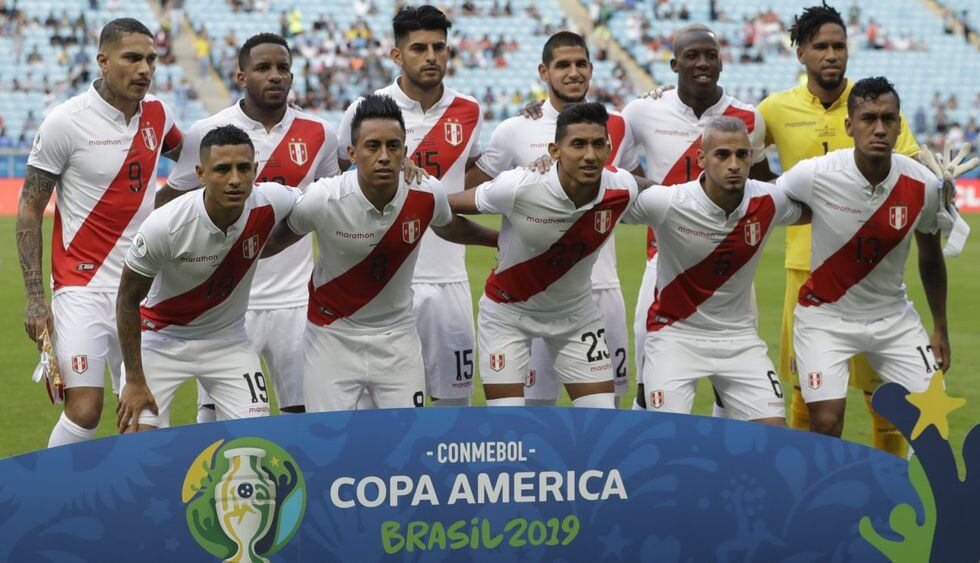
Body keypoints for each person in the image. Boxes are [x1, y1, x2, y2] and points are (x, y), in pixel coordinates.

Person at [265, 94, 498, 411]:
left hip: (398, 338)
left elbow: (453, 228)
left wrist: (501, 240)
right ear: (352, 153)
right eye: (373, 146)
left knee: (406, 437)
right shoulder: (323, 199)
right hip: (331, 337)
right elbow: (277, 239)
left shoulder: (427, 193)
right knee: (330, 436)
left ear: (405, 151)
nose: (384, 156)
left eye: (393, 146)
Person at [756, 3, 919, 455]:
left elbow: (912, 163)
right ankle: (807, 483)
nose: (832, 54)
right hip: (804, 268)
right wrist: (776, 192)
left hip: (870, 270)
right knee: (807, 393)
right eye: (821, 46)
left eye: (839, 46)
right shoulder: (775, 109)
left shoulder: (871, 106)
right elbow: (741, 151)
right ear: (801, 53)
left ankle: (887, 482)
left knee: (883, 394)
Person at [17, 18, 183, 447]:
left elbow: (191, 162)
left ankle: (128, 493)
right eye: (132, 58)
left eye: (151, 59)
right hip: (81, 286)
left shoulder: (159, 115)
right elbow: (30, 207)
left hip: (142, 287)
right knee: (85, 411)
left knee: (143, 415)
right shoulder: (66, 121)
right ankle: (52, 486)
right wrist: (35, 297)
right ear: (103, 61)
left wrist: (165, 204)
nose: (144, 69)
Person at [159, 33, 340, 420]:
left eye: (283, 68)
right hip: (225, 305)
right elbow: (169, 204)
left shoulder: (320, 133)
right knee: (214, 417)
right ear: (241, 76)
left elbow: (333, 205)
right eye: (263, 68)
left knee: (301, 413)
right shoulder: (209, 131)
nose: (275, 75)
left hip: (296, 301)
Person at [465, 31, 643, 407]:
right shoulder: (516, 128)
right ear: (544, 72)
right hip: (528, 288)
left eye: (580, 64)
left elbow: (634, 188)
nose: (573, 72)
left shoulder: (617, 124)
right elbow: (472, 189)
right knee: (535, 407)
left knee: (605, 406)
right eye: (563, 65)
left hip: (598, 286)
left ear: (592, 69)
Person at [777, 77, 947, 437]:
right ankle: (825, 478)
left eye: (888, 119)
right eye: (868, 118)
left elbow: (932, 258)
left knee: (934, 417)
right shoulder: (816, 174)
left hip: (892, 317)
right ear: (849, 125)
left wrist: (940, 328)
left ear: (899, 125)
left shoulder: (923, 185)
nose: (879, 129)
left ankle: (911, 478)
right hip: (825, 315)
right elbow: (764, 204)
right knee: (826, 421)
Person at [337, 6, 484, 407]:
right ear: (397, 56)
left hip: (449, 279)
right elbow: (338, 179)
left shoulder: (469, 110)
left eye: (439, 47)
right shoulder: (367, 109)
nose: (432, 56)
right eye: (419, 48)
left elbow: (471, 171)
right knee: (379, 414)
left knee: (453, 405)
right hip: (381, 285)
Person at [621, 24, 768, 411]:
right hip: (662, 263)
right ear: (674, 64)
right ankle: (648, 447)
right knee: (648, 387)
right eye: (692, 55)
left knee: (732, 388)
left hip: (730, 264)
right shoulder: (642, 111)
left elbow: (763, 184)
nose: (702, 62)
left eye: (710, 55)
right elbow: (614, 170)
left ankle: (721, 450)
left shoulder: (748, 118)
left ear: (721, 61)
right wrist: (658, 193)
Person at [624, 116, 808, 423]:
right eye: (722, 155)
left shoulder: (768, 200)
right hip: (674, 337)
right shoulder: (670, 202)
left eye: (742, 155)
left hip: (739, 340)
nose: (734, 164)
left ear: (752, 157)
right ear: (701, 159)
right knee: (665, 438)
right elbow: (608, 199)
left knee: (773, 435)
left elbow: (821, 206)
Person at [115, 125, 299, 431]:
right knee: (138, 443)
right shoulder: (165, 225)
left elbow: (315, 207)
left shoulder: (272, 200)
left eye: (243, 168)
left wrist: (268, 246)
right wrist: (134, 380)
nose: (235, 179)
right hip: (160, 339)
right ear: (201, 174)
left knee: (255, 442)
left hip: (228, 340)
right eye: (222, 169)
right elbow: (126, 300)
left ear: (255, 170)